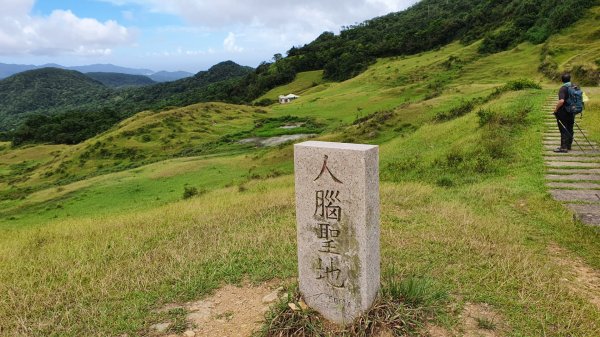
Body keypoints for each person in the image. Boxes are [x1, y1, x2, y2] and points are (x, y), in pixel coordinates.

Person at [553, 73, 575, 153]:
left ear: (562, 80)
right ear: (570, 79)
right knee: (570, 128)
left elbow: (561, 101)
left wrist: (556, 109)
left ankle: (563, 147)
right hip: (572, 110)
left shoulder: (563, 88)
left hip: (564, 112)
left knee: (563, 128)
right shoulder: (575, 87)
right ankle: (569, 145)